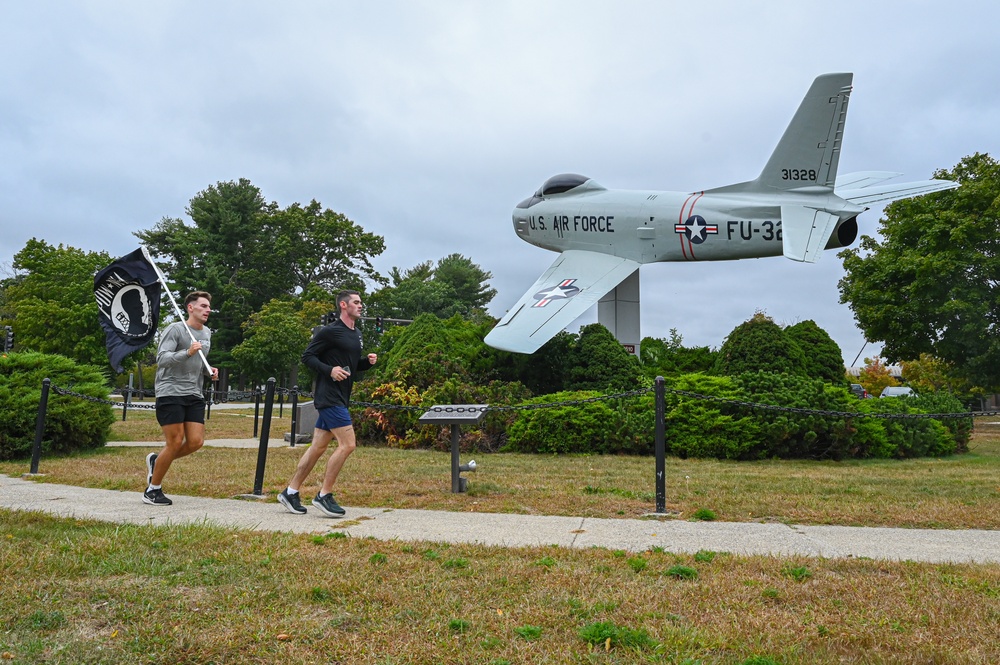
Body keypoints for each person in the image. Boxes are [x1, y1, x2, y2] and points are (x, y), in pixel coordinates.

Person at [278, 290, 377, 517]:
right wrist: (329, 370)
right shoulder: (330, 331)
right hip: (329, 397)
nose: (360, 306)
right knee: (348, 444)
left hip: (341, 395)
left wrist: (366, 363)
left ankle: (290, 492)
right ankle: (324, 495)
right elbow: (308, 357)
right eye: (356, 302)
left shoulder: (357, 333)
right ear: (344, 305)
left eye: (361, 302)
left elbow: (350, 365)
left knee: (318, 447)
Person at [144, 291, 218, 506]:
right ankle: (152, 490)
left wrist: (209, 371)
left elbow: (200, 362)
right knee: (175, 442)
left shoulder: (207, 333)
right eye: (203, 306)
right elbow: (162, 360)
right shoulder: (176, 329)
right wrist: (187, 352)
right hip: (170, 391)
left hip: (194, 392)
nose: (208, 310)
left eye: (209, 306)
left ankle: (157, 461)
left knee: (196, 442)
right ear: (190, 308)